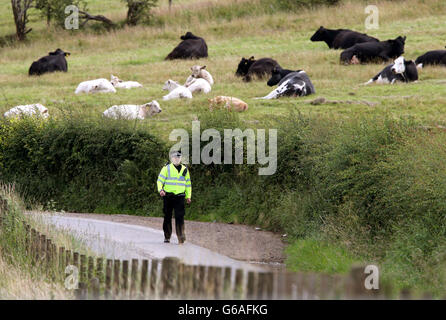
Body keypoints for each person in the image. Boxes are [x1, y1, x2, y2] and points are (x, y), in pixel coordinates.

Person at [157, 150, 191, 244]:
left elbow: (188, 184)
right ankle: (167, 236)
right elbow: (160, 181)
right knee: (167, 216)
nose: (176, 159)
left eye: (178, 157)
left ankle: (181, 237)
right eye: (175, 157)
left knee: (180, 217)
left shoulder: (185, 169)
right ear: (172, 158)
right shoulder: (166, 168)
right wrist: (161, 190)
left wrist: (188, 196)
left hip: (180, 196)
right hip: (168, 196)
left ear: (180, 159)